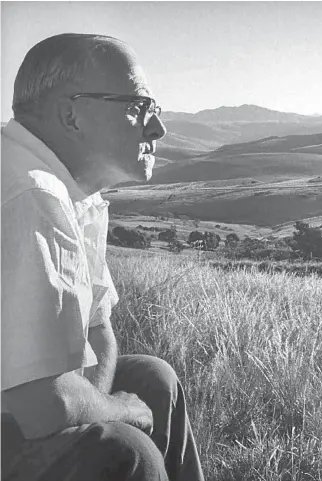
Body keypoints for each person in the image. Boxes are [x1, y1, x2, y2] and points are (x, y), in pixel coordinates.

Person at [1, 33, 205, 481]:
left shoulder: (72, 192)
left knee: (157, 380)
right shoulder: (28, 192)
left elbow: (98, 327)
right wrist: (112, 413)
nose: (157, 128)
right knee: (124, 452)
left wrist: (98, 409)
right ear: (71, 114)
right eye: (139, 106)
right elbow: (40, 405)